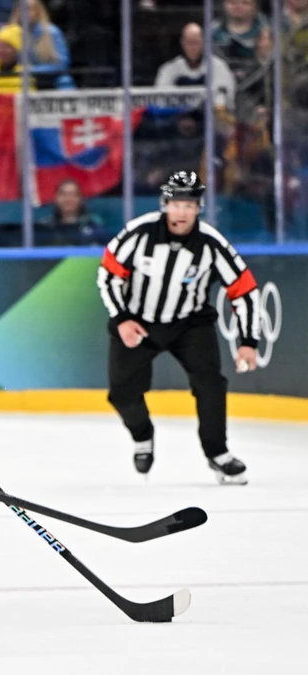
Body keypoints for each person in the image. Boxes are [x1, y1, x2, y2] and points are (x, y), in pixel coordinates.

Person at [96, 171, 258, 485]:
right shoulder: (138, 233)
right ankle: (143, 436)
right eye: (176, 203)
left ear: (199, 208)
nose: (182, 211)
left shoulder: (211, 243)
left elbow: (244, 289)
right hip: (138, 321)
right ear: (165, 204)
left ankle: (218, 453)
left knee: (211, 384)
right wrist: (122, 319)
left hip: (190, 324)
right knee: (122, 392)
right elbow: (109, 275)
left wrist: (248, 340)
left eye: (190, 205)